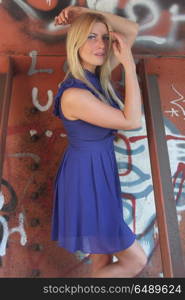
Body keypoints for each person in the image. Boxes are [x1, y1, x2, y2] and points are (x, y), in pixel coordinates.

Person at [52, 5, 147, 278]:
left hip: (99, 173)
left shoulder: (94, 76)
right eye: (91, 37)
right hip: (86, 180)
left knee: (102, 263)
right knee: (135, 261)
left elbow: (132, 31)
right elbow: (131, 121)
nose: (101, 44)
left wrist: (83, 12)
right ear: (76, 42)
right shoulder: (74, 95)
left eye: (105, 37)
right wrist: (129, 65)